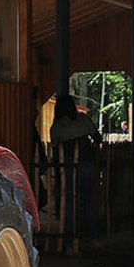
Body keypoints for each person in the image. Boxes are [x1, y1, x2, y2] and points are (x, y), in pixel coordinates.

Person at [50, 93, 102, 252]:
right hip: (87, 164)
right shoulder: (83, 120)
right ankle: (93, 238)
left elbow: (54, 148)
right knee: (88, 201)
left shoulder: (57, 127)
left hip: (69, 167)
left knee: (69, 204)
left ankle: (70, 242)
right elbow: (97, 137)